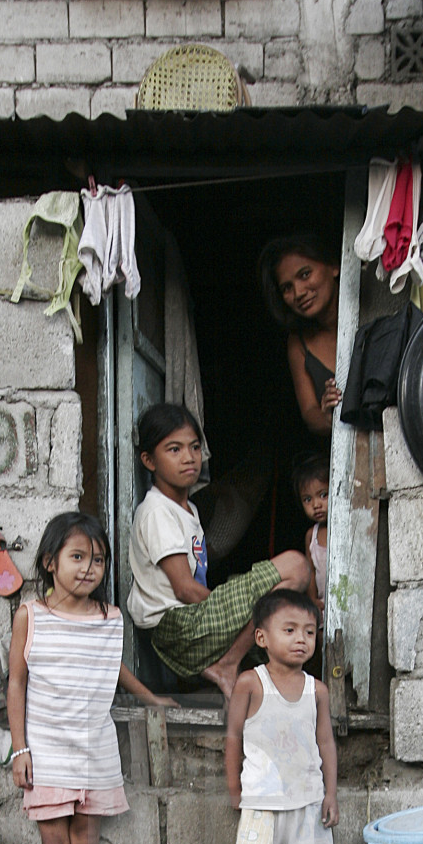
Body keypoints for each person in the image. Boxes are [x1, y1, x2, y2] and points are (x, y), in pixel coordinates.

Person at [6, 510, 175, 844]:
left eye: (97, 560)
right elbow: (16, 684)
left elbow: (113, 669)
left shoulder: (109, 618)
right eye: (77, 556)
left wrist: (148, 697)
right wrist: (21, 751)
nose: (88, 568)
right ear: (49, 562)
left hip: (94, 749)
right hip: (48, 751)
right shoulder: (30, 616)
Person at [127, 402, 310, 706]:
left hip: (188, 626)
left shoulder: (188, 510)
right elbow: (185, 589)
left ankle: (228, 665)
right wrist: (235, 605)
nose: (189, 458)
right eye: (174, 450)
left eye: (194, 447)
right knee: (295, 565)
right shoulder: (157, 511)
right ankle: (226, 664)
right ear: (149, 460)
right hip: (178, 628)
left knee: (280, 600)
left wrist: (243, 605)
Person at [220, 588, 365, 844]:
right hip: (261, 800)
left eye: (310, 632)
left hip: (307, 799)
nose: (301, 639)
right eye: (290, 630)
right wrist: (234, 788)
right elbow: (233, 736)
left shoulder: (317, 691)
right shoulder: (251, 683)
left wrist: (330, 793)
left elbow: (326, 743)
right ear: (262, 638)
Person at [258, 234, 343, 436]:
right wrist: (328, 417)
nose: (298, 293)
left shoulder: (369, 312)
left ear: (334, 266)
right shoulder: (298, 341)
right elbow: (309, 413)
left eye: (305, 275)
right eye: (287, 288)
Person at [293, 450, 329, 611]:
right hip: (321, 606)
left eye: (323, 495)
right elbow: (311, 572)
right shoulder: (311, 536)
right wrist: (312, 600)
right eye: (308, 499)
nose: (316, 505)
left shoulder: (343, 531)